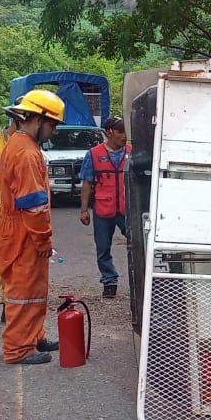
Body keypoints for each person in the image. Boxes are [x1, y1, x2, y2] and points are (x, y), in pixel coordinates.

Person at [0, 89, 64, 364]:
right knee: (23, 293)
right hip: (24, 233)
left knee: (33, 290)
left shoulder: (20, 145)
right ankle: (18, 349)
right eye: (53, 125)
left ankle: (34, 337)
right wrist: (43, 240)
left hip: (19, 230)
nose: (54, 132)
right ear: (38, 119)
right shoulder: (26, 153)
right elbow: (34, 206)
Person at [79, 116, 130, 299]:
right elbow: (87, 183)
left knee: (137, 245)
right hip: (103, 209)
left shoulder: (132, 152)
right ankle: (109, 282)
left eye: (125, 132)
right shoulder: (93, 154)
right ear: (109, 132)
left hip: (127, 209)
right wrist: (84, 210)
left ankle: (140, 279)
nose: (124, 136)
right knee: (103, 249)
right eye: (120, 132)